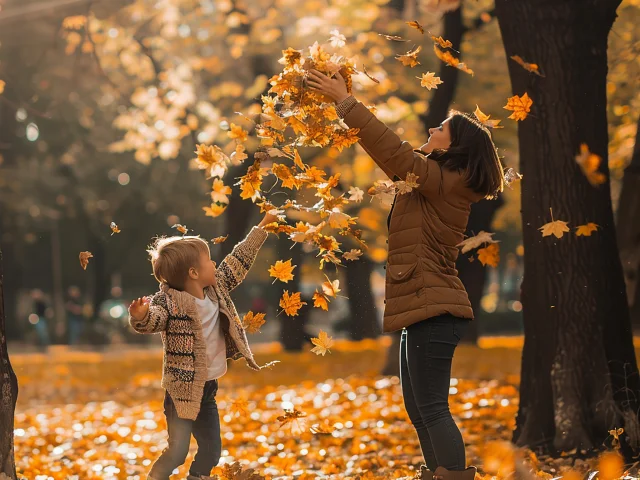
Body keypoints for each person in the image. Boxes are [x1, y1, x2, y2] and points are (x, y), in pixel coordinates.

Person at [306, 69, 507, 480]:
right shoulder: (434, 179)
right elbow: (397, 159)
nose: (432, 128)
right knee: (419, 410)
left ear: (457, 145)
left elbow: (396, 154)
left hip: (434, 310)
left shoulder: (446, 180)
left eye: (442, 128)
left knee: (432, 407)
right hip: (422, 306)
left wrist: (346, 103)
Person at [128, 212, 277, 480]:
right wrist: (141, 317)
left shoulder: (216, 287)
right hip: (180, 391)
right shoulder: (168, 302)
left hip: (207, 389)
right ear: (194, 272)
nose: (215, 263)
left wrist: (262, 227)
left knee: (211, 451)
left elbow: (238, 260)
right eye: (209, 260)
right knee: (178, 451)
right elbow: (155, 320)